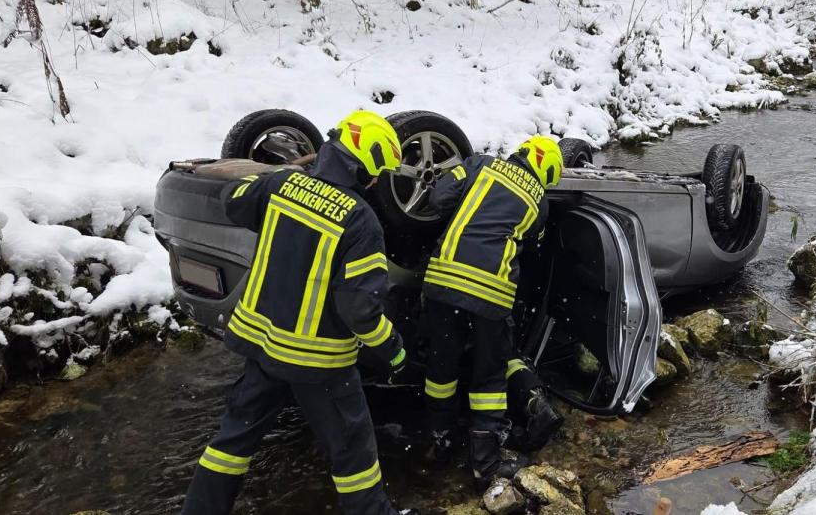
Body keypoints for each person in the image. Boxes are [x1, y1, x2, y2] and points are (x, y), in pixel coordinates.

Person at [181, 110, 412, 515]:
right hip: (318, 362)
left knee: (232, 443)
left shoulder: (282, 183)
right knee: (353, 453)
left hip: (261, 347)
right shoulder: (360, 221)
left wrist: (279, 172)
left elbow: (231, 202)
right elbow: (359, 309)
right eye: (378, 172)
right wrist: (392, 349)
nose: (378, 181)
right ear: (364, 165)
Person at [420, 135, 564, 489]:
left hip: (442, 281)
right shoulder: (539, 202)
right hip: (490, 291)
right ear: (547, 172)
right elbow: (530, 248)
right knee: (489, 377)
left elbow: (439, 197)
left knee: (441, 367)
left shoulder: (480, 164)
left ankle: (439, 442)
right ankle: (484, 466)